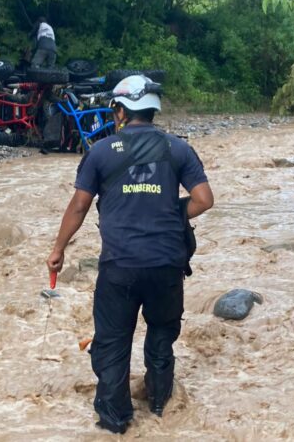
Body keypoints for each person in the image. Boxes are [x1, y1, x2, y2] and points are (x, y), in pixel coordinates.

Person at [46, 74, 214, 434]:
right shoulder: (179, 149)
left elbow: (79, 207)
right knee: (161, 335)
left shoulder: (101, 152)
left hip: (119, 267)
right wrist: (171, 211)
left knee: (112, 342)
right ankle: (158, 404)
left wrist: (58, 249)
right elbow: (204, 200)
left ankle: (115, 420)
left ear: (120, 111)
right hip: (167, 265)